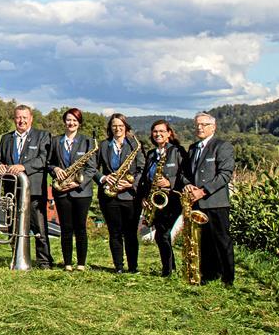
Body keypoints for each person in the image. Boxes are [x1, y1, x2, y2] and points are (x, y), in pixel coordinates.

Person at [0, 105, 53, 269]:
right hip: (11, 190)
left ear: (31, 119)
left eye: (24, 117)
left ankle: (44, 262)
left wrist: (24, 166)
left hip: (33, 190)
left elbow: (43, 159)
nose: (21, 120)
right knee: (12, 225)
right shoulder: (6, 138)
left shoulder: (42, 136)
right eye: (18, 117)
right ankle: (17, 257)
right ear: (14, 119)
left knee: (39, 228)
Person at [182, 112, 235, 285]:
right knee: (203, 241)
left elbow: (225, 174)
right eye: (197, 124)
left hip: (216, 202)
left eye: (204, 124)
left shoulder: (222, 146)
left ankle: (228, 278)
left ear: (213, 127)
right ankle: (208, 274)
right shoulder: (192, 148)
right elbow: (185, 173)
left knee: (221, 240)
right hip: (196, 202)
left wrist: (203, 191)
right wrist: (187, 185)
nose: (199, 127)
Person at [49, 108, 97, 271]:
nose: (71, 123)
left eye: (75, 120)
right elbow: (49, 163)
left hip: (81, 191)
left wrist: (78, 183)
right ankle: (68, 263)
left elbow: (91, 169)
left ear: (79, 123)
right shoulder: (55, 141)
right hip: (62, 190)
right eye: (69, 120)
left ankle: (81, 264)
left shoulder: (88, 141)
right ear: (64, 121)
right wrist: (55, 169)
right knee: (66, 228)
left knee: (80, 228)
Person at [96, 113, 145, 273]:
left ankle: (133, 267)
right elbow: (92, 168)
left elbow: (142, 169)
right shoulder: (103, 145)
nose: (117, 128)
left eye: (120, 126)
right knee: (114, 232)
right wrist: (103, 178)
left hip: (130, 195)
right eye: (114, 126)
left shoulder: (134, 145)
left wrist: (131, 183)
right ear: (110, 128)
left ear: (126, 127)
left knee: (131, 233)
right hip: (109, 196)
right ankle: (118, 266)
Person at [140, 119, 186, 278]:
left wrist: (170, 182)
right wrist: (144, 196)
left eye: (161, 131)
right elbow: (146, 178)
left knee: (162, 234)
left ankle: (168, 271)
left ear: (169, 134)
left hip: (172, 199)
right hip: (156, 199)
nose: (158, 134)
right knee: (161, 234)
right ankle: (170, 267)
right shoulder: (152, 154)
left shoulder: (178, 151)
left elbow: (185, 175)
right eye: (155, 132)